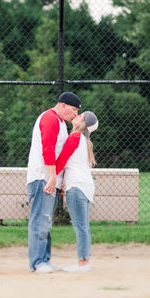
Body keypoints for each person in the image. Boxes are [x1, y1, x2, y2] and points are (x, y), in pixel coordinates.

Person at [27, 91, 81, 273]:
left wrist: (59, 180)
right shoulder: (50, 118)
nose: (75, 114)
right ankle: (37, 262)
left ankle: (45, 259)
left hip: (50, 178)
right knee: (39, 221)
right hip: (42, 178)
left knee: (46, 221)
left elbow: (59, 154)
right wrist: (51, 177)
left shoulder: (61, 123)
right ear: (63, 105)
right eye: (74, 110)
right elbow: (47, 149)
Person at [55, 110, 98, 273]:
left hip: (77, 186)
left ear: (83, 123)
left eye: (80, 116)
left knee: (80, 227)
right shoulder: (83, 140)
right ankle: (84, 261)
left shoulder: (74, 137)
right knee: (84, 226)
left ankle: (83, 263)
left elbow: (61, 161)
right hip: (85, 186)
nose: (76, 116)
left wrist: (54, 181)